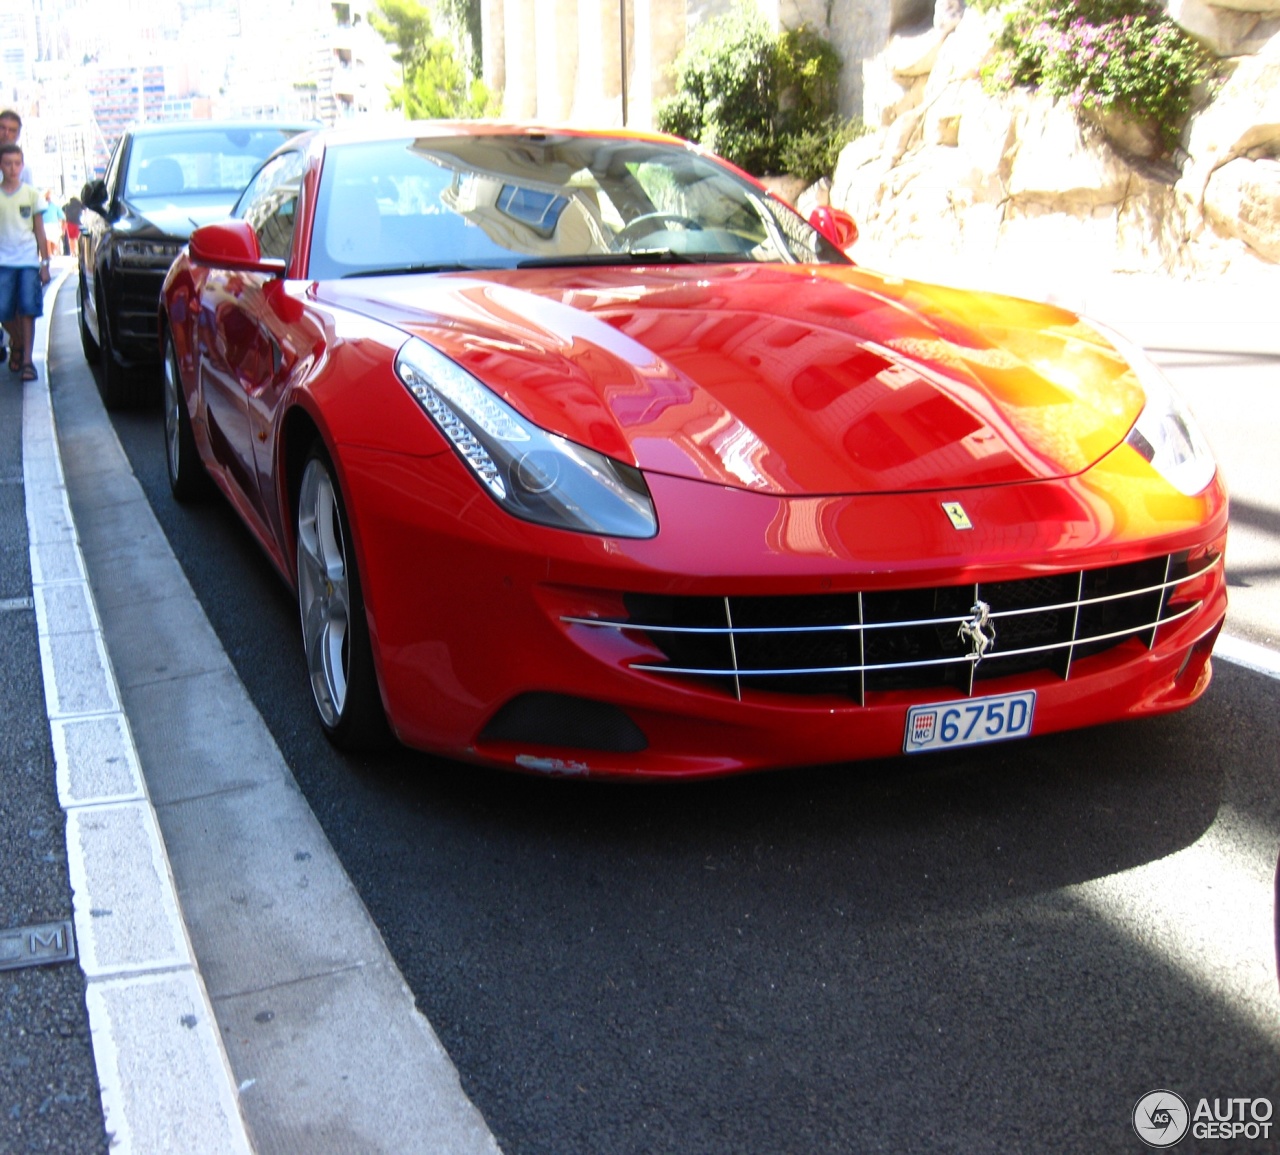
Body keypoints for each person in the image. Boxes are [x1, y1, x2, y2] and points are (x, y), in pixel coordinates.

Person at [0, 142, 51, 381]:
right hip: (3, 261)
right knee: (3, 309)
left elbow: (40, 231)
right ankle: (17, 342)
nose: (12, 168)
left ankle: (28, 360)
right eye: (8, 164)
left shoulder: (31, 194)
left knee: (28, 309)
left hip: (28, 260)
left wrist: (45, 263)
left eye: (17, 164)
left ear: (22, 165)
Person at [0, 111, 33, 365]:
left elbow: (30, 207)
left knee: (21, 305)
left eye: (12, 130)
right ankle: (19, 341)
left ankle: (20, 349)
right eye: (3, 128)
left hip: (19, 247)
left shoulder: (24, 167)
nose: (6, 133)